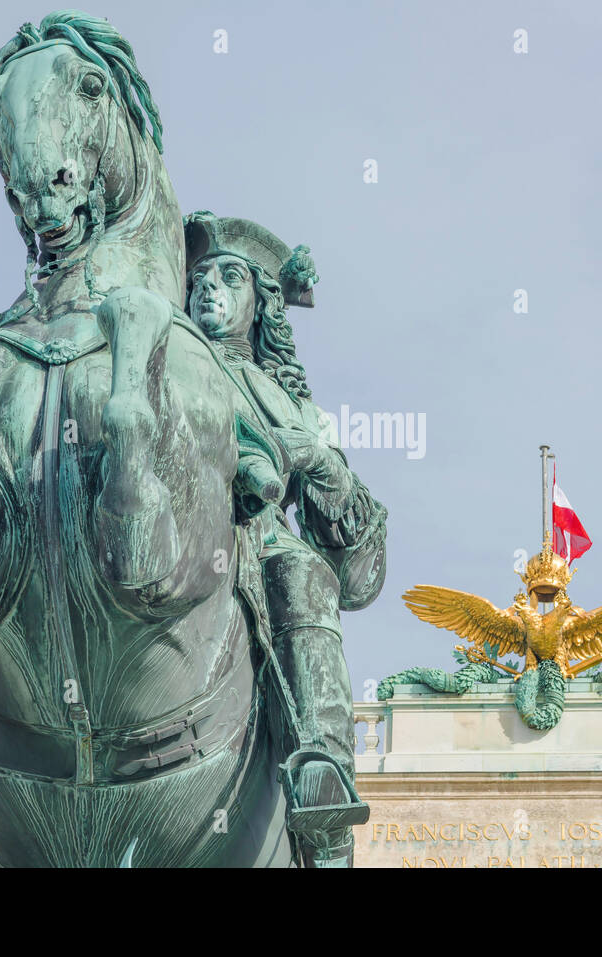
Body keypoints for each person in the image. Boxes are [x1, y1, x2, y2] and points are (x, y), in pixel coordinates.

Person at [182, 212, 388, 866]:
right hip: (170, 523)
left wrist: (324, 466)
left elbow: (358, 576)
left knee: (302, 572)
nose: (207, 289)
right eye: (199, 278)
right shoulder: (157, 366)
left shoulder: (297, 407)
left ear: (260, 303)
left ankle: (323, 767)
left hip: (260, 541)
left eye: (228, 277)